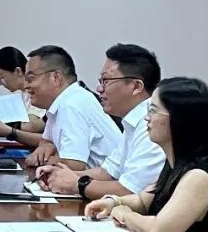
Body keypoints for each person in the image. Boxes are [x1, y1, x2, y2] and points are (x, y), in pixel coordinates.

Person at [84, 77, 208, 232]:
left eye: (153, 111)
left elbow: (159, 231)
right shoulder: (174, 165)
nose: (146, 118)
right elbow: (143, 200)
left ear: (179, 120)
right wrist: (114, 202)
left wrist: (125, 215)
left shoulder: (198, 177)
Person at [36, 44, 165, 201]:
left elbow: (131, 191)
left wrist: (76, 184)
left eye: (106, 81)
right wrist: (60, 175)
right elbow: (108, 173)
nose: (99, 88)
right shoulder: (132, 122)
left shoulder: (152, 125)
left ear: (136, 86)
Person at [24, 45, 122, 171]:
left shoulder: (72, 105)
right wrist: (45, 147)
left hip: (106, 181)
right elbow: (46, 140)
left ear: (56, 77)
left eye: (30, 79)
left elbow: (73, 165)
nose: (26, 86)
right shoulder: (62, 101)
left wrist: (39, 160)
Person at [0, 45, 46, 147]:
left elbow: (32, 126)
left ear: (18, 71)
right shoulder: (20, 95)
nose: (0, 83)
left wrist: (2, 128)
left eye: (1, 77)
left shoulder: (37, 93)